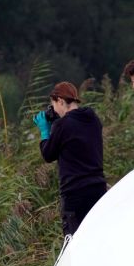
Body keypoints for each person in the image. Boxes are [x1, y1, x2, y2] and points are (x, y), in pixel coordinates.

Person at [33, 82, 107, 237]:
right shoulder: (92, 118)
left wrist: (45, 131)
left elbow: (48, 154)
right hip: (98, 189)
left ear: (60, 101)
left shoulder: (62, 125)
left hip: (74, 194)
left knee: (74, 244)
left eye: (53, 105)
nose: (53, 110)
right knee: (97, 238)